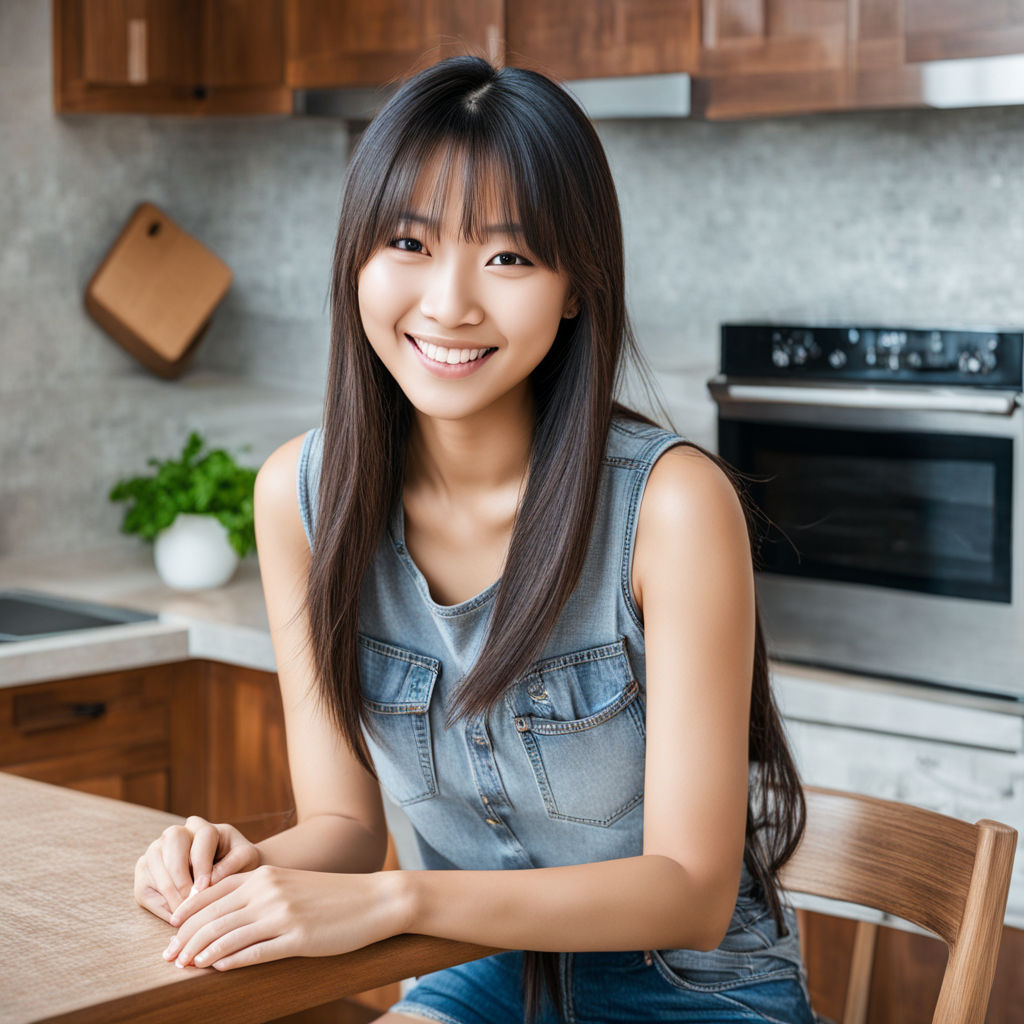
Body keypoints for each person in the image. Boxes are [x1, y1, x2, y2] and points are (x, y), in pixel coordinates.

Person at [134, 55, 816, 1024]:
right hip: (483, 972)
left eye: (508, 257)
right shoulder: (298, 495)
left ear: (575, 287)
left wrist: (399, 897)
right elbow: (342, 826)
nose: (451, 302)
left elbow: (690, 892)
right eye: (408, 242)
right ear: (357, 261)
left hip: (692, 991)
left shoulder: (671, 504)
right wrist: (233, 863)